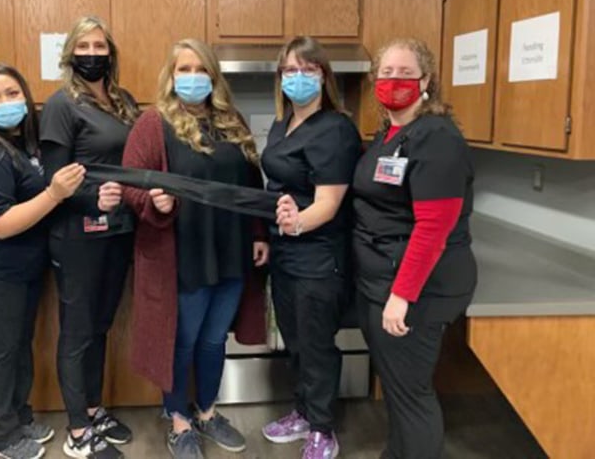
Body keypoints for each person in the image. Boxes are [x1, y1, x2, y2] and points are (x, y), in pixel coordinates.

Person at [118, 38, 269, 459]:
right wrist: (153, 201)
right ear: (171, 76)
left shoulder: (230, 121)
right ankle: (178, 420)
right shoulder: (153, 123)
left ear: (213, 77)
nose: (192, 78)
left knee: (214, 339)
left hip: (231, 250)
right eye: (183, 70)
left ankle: (206, 412)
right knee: (181, 341)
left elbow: (250, 186)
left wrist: (258, 232)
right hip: (182, 254)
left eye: (200, 70)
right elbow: (132, 183)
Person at [0, 63, 85, 459]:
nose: (5, 102)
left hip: (17, 270)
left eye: (12, 93)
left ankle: (18, 417)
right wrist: (55, 194)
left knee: (17, 344)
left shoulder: (19, 144)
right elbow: (2, 225)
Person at [352, 38, 477, 459]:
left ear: (426, 80)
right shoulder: (391, 132)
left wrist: (402, 296)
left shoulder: (437, 137)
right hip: (385, 279)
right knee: (400, 392)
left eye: (405, 73)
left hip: (416, 288)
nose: (394, 81)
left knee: (412, 396)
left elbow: (433, 229)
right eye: (386, 73)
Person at [39, 15, 140, 459]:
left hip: (118, 232)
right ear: (70, 55)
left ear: (111, 53)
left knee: (100, 326)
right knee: (77, 331)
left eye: (100, 46)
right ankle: (78, 430)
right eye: (84, 47)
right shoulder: (61, 105)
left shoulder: (124, 101)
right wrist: (91, 198)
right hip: (78, 234)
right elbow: (54, 178)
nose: (93, 54)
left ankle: (94, 409)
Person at [260, 36, 362, 459]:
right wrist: (273, 234)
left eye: (308, 69)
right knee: (295, 339)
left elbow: (329, 202)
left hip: (318, 255)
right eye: (289, 70)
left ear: (324, 77)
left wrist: (298, 223)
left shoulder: (336, 128)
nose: (298, 78)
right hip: (285, 254)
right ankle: (302, 410)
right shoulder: (282, 125)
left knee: (317, 343)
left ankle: (323, 428)